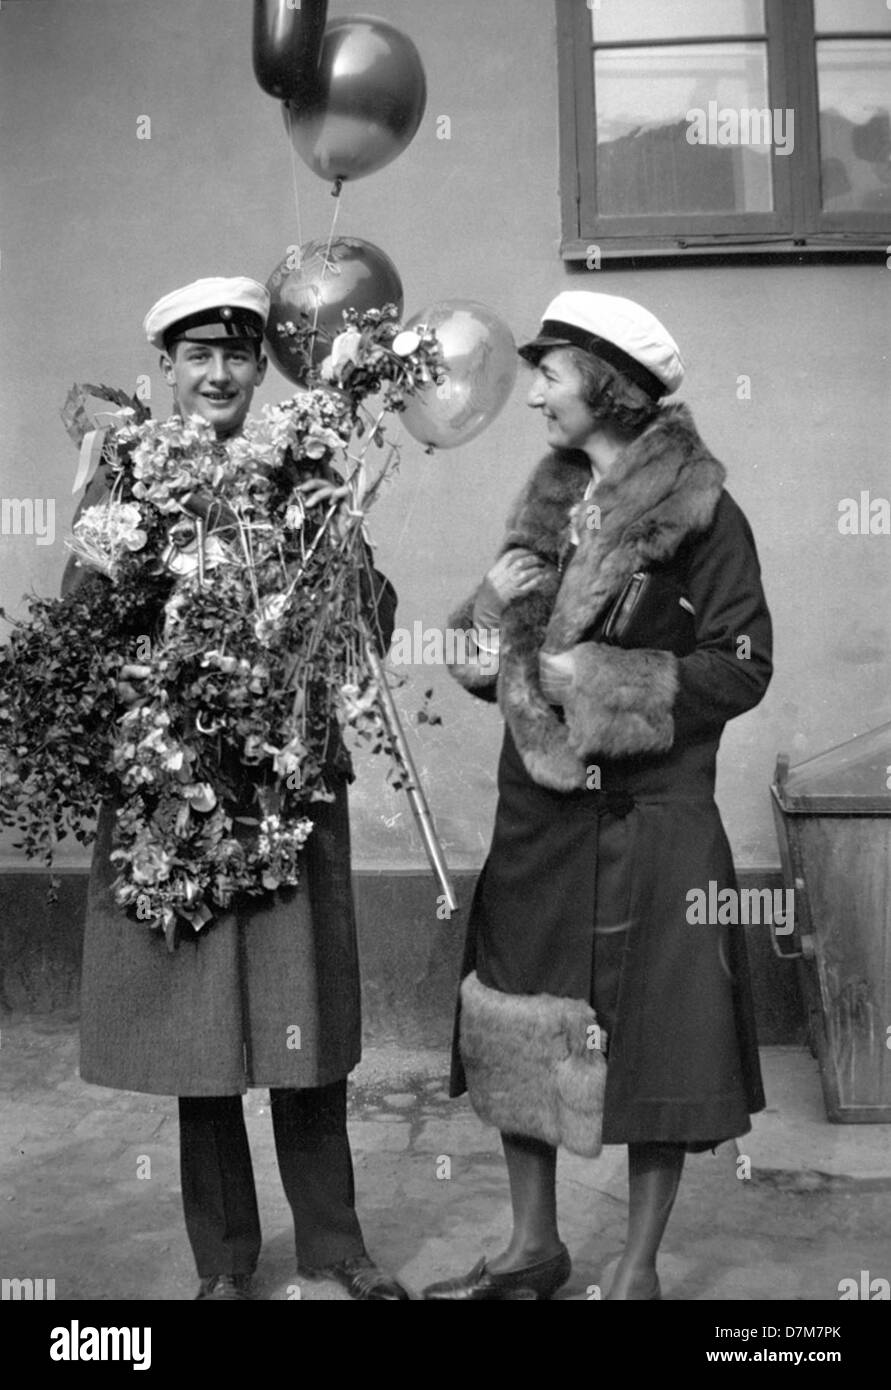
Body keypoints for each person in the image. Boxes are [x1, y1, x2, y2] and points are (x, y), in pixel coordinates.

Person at [62, 277, 409, 1301]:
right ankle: (223, 1261)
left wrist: (343, 550)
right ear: (165, 370)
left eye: (238, 355)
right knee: (199, 1033)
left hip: (288, 789)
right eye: (197, 356)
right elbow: (80, 622)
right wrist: (114, 542)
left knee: (305, 1024)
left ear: (263, 367)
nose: (219, 374)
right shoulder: (122, 478)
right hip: (176, 792)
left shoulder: (302, 475)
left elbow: (368, 633)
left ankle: (336, 1245)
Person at [424, 291, 772, 1301]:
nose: (532, 394)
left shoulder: (705, 518)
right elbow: (492, 657)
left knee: (659, 1032)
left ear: (608, 383)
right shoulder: (551, 506)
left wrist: (606, 680)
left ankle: (637, 1271)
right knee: (518, 1019)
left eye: (552, 372)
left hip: (651, 816)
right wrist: (489, 602)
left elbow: (742, 666)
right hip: (539, 811)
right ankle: (535, 1249)